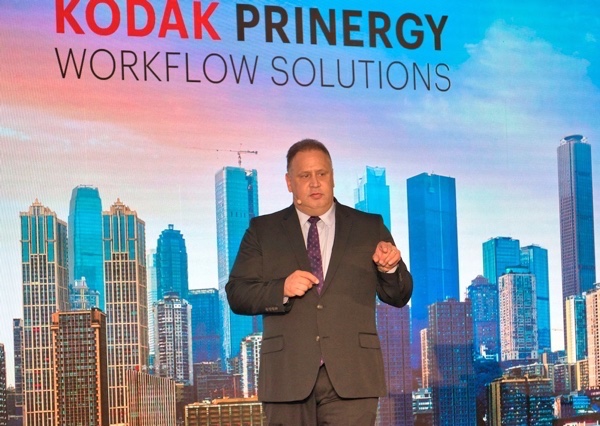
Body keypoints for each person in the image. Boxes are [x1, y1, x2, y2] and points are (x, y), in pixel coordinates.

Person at [226, 139, 413, 425]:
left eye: (322, 173)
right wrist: (281, 289)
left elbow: (399, 296)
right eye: (305, 175)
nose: (315, 183)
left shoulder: (369, 227)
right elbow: (237, 294)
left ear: (332, 177)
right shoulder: (263, 231)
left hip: (353, 376)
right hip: (287, 376)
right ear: (289, 182)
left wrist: (390, 268)